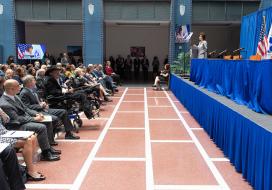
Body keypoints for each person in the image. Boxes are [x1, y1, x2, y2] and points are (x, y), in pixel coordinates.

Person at [0, 79, 60, 161]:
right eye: (18, 86)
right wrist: (34, 118)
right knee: (41, 127)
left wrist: (36, 114)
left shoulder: (15, 96)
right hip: (16, 125)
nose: (20, 87)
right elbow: (17, 119)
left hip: (24, 120)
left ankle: (48, 148)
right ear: (11, 89)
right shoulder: (4, 103)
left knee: (47, 121)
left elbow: (26, 109)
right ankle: (45, 153)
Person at [20, 75, 80, 140]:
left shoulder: (32, 90)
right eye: (34, 80)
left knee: (63, 112)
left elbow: (38, 100)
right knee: (54, 118)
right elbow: (26, 107)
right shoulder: (24, 93)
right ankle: (50, 137)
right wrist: (40, 106)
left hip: (43, 109)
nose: (35, 81)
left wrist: (43, 103)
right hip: (37, 112)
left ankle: (68, 134)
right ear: (29, 82)